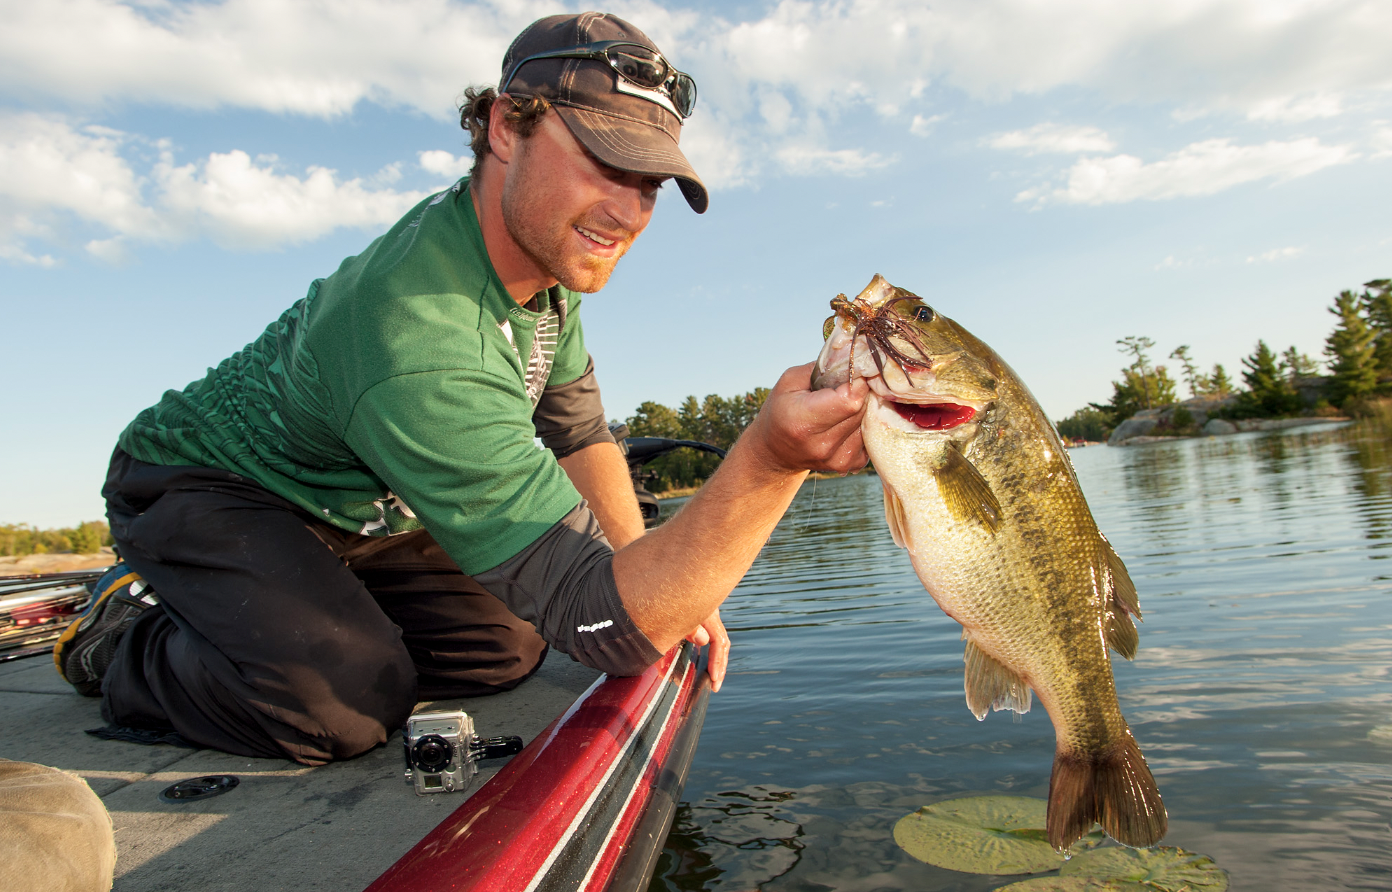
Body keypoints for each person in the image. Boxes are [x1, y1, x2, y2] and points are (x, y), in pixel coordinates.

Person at [55, 11, 869, 766]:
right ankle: (125, 635)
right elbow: (611, 629)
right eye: (604, 160)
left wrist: (654, 566)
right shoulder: (416, 333)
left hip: (361, 508)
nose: (626, 210)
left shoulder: (543, 265)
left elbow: (580, 432)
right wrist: (768, 461)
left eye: (649, 183)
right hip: (212, 489)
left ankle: (308, 606)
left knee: (505, 647)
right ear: (504, 127)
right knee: (346, 708)